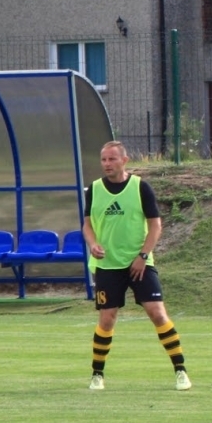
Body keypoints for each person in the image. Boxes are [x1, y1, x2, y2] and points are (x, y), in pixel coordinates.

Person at [82, 141, 190, 391]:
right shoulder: (94, 189)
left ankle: (181, 370)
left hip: (139, 262)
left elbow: (155, 225)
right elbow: (87, 224)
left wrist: (142, 255)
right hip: (108, 265)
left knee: (157, 313)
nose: (107, 164)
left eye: (112, 159)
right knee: (107, 318)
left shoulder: (141, 187)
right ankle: (97, 374)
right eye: (103, 159)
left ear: (124, 160)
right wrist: (93, 243)